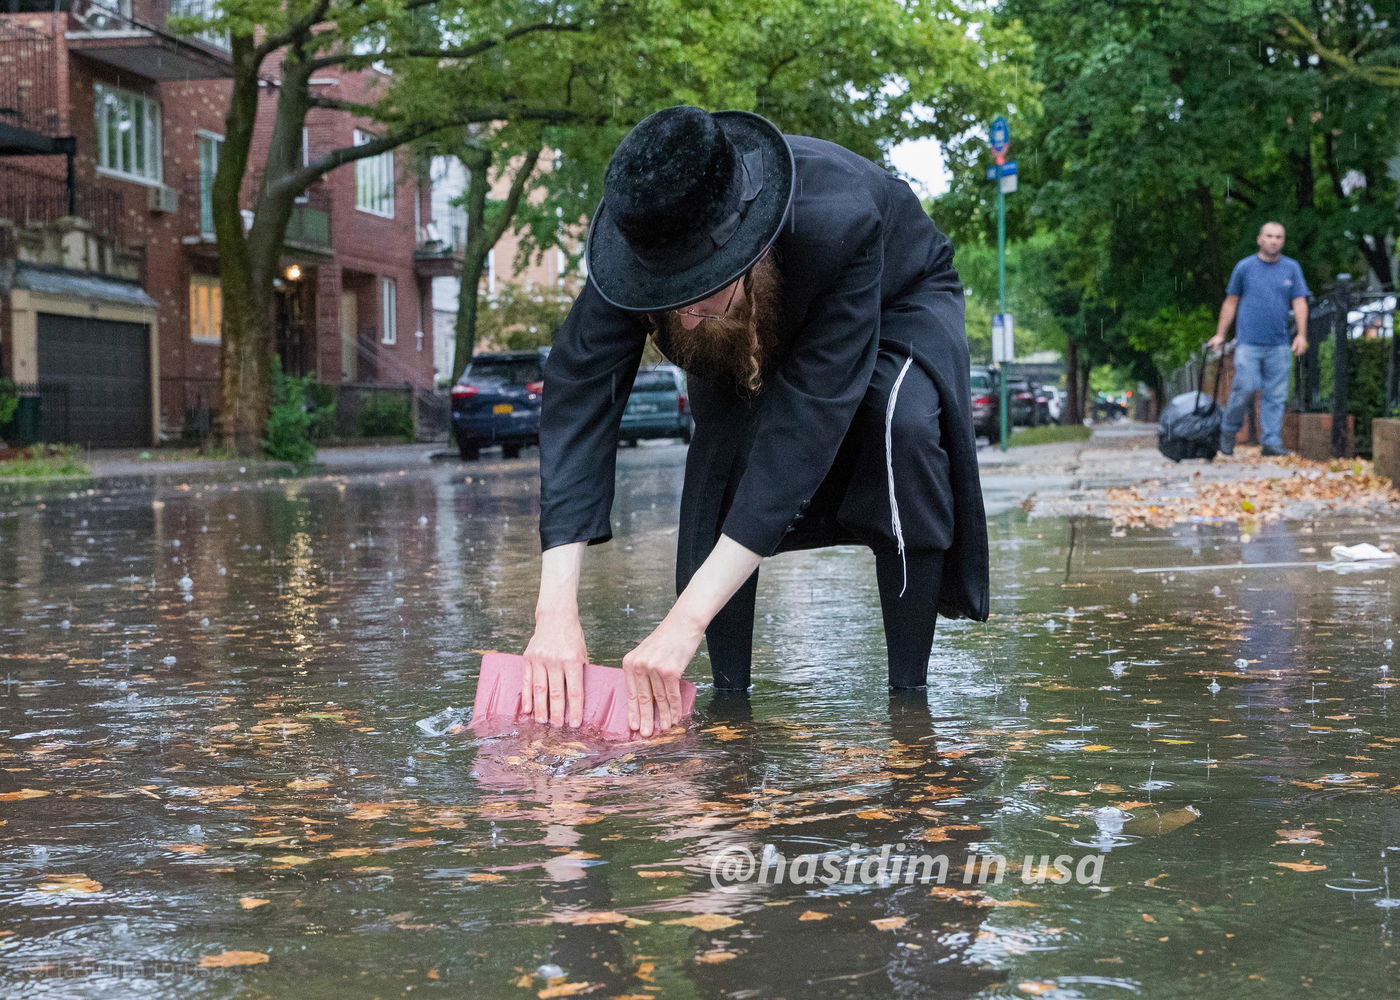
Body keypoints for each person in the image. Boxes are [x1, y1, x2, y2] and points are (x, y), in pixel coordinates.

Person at [521, 106, 989, 736]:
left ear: (746, 249)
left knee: (896, 424)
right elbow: (578, 394)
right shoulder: (641, 241)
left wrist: (679, 623)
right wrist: (554, 612)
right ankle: (728, 696)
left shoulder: (838, 220)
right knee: (721, 457)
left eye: (697, 292)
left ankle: (909, 696)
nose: (682, 322)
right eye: (666, 301)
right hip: (751, 297)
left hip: (896, 299)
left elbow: (803, 430)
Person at [1207, 221, 1310, 457]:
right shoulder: (1244, 268)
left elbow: (1299, 302)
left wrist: (1302, 335)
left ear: (1283, 241)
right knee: (1245, 387)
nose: (1274, 240)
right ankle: (1228, 429)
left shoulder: (1291, 268)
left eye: (1279, 237)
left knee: (1276, 395)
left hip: (1279, 343)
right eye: (1270, 236)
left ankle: (1271, 441)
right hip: (1248, 343)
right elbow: (1231, 301)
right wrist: (1221, 334)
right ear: (1259, 239)